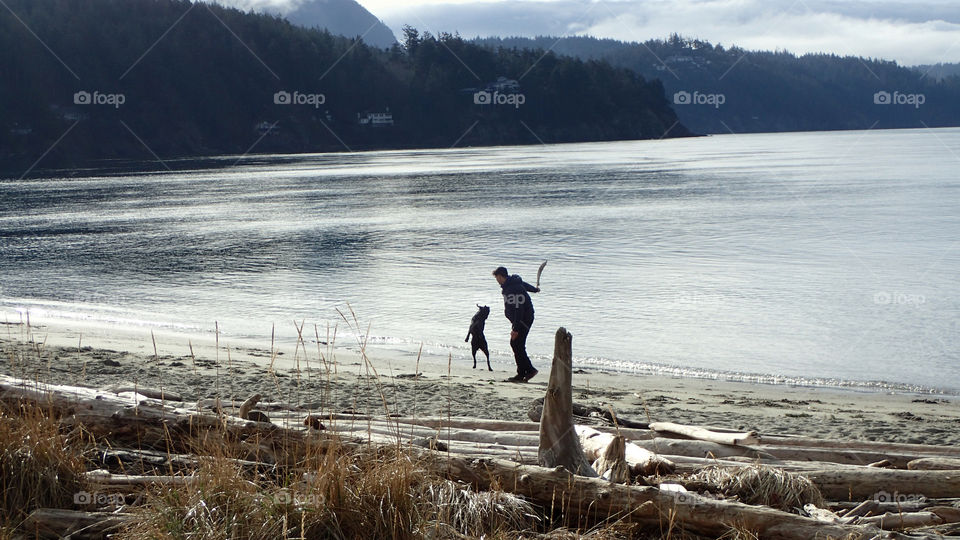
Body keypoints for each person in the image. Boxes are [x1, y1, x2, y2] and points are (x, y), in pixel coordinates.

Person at [493, 266, 539, 382]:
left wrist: (516, 329)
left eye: (497, 277)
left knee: (516, 343)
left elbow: (518, 309)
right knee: (516, 344)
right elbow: (524, 285)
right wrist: (535, 289)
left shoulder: (512, 289)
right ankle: (523, 372)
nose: (497, 280)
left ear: (501, 276)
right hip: (522, 318)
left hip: (523, 319)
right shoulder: (513, 283)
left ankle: (528, 371)